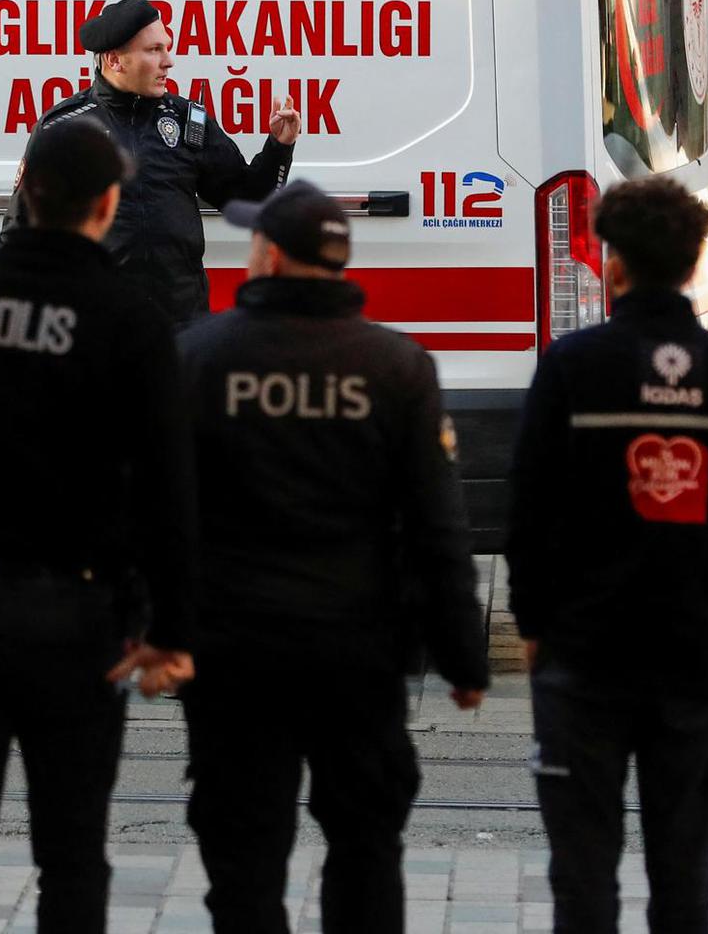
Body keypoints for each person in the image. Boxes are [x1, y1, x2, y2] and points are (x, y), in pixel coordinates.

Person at [0, 119, 195, 934]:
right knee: (72, 851)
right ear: (108, 205)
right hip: (76, 618)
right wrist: (170, 627)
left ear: (27, 192)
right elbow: (166, 484)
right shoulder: (129, 320)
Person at [176, 180, 490, 933]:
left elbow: (154, 510)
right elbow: (436, 525)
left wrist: (150, 627)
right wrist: (461, 658)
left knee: (243, 854)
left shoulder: (195, 356)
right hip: (357, 647)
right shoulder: (395, 365)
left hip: (233, 648)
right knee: (365, 843)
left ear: (269, 255)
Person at [506, 177, 708, 933]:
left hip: (582, 654)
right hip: (692, 655)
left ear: (613, 265)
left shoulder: (573, 366)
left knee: (582, 881)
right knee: (683, 883)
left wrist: (531, 621)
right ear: (693, 260)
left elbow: (528, 510)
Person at [2, 0, 300, 325]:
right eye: (154, 50)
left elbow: (249, 199)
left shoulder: (189, 121)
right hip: (97, 329)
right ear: (115, 60)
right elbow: (20, 233)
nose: (168, 61)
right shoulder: (65, 127)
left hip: (179, 328)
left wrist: (279, 146)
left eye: (166, 48)